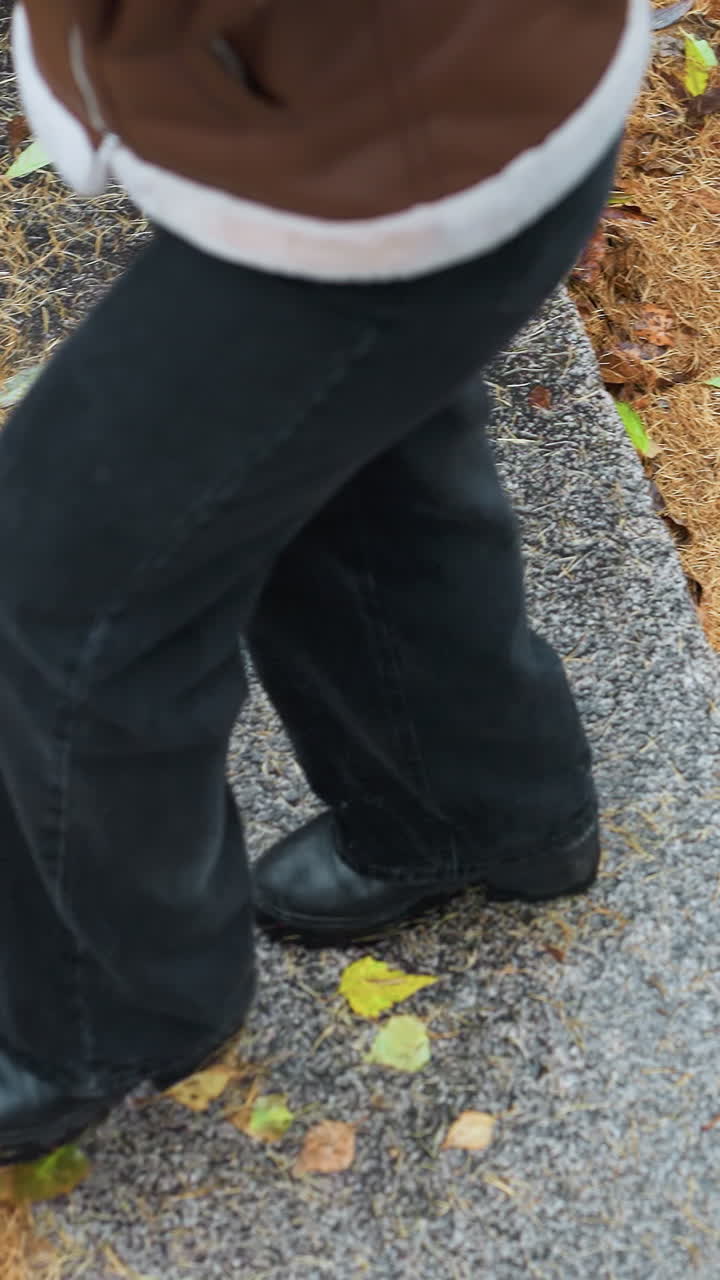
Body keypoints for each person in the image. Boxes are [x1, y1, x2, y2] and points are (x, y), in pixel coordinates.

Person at [0, 0, 650, 1165]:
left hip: (381, 131)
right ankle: (473, 803)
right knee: (342, 450)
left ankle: (98, 1010)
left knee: (57, 580)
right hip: (428, 94)